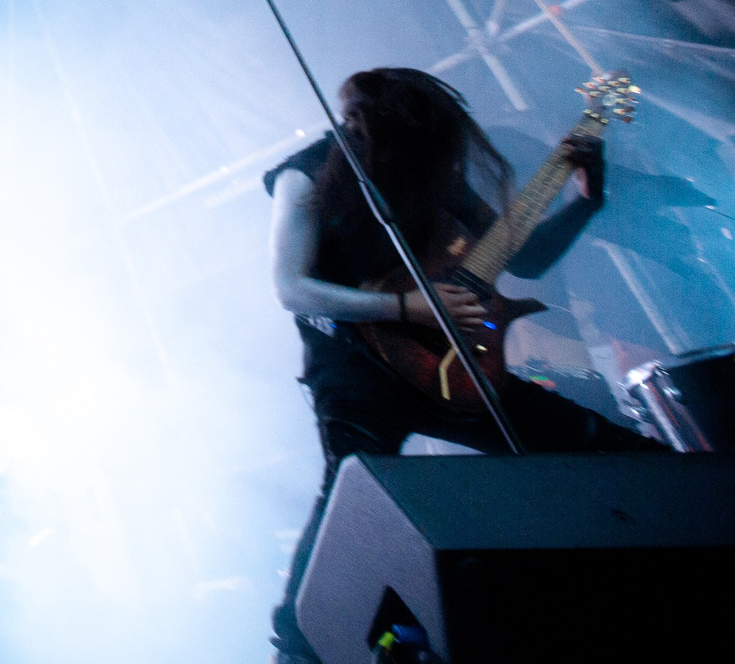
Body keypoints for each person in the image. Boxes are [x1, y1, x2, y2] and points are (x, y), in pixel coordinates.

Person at [264, 67, 658, 664]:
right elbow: (291, 288)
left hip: (455, 368)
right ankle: (298, 646)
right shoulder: (308, 174)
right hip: (355, 371)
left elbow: (524, 258)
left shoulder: (431, 178)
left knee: (600, 448)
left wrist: (585, 203)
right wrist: (405, 306)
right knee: (354, 493)